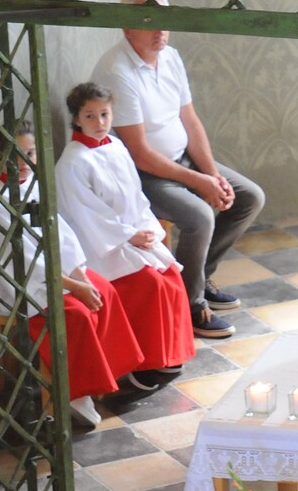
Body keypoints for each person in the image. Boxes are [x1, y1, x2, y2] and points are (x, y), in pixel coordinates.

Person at [93, 0, 266, 340]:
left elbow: (190, 120)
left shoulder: (170, 57)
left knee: (249, 197)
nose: (161, 30)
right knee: (200, 217)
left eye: (165, 21)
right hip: (142, 174)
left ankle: (200, 275)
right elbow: (140, 153)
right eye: (150, 22)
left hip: (181, 159)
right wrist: (199, 182)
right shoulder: (116, 70)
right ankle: (191, 305)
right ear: (127, 27)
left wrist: (212, 175)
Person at [0, 122, 147, 431]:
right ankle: (73, 394)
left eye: (30, 153)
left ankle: (100, 380)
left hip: (42, 271)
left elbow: (59, 235)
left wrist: (79, 276)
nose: (24, 162)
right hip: (5, 281)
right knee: (73, 314)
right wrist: (72, 286)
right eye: (16, 154)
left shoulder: (29, 182)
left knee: (103, 289)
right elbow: (18, 262)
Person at [54, 81, 196, 391]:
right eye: (90, 116)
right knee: (149, 283)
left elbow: (135, 196)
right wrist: (129, 236)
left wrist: (149, 232)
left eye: (105, 114)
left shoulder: (116, 146)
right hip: (100, 244)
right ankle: (143, 366)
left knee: (170, 274)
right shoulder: (73, 162)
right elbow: (86, 215)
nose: (99, 122)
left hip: (132, 234)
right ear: (76, 119)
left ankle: (168, 357)